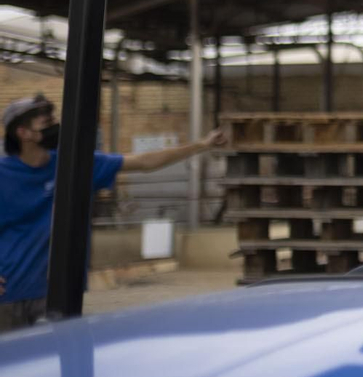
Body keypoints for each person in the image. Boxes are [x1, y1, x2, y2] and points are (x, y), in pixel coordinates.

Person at [1, 94, 228, 330]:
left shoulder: (74, 165)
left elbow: (144, 162)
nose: (54, 126)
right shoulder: (3, 175)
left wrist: (203, 144)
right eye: (45, 123)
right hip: (8, 294)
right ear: (22, 133)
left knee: (57, 361)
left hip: (57, 293)